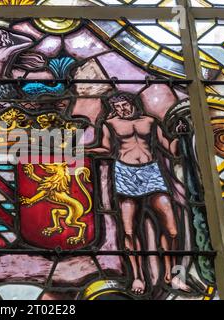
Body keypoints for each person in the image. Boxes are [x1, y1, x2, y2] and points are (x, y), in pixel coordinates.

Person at [85, 92, 190, 295]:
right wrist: (84, 150)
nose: (123, 110)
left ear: (133, 103)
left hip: (152, 173)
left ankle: (174, 274)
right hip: (126, 174)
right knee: (129, 231)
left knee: (173, 230)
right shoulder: (110, 124)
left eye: (125, 105)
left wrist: (181, 135)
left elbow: (169, 148)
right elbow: (106, 148)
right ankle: (137, 277)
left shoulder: (150, 121)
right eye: (118, 108)